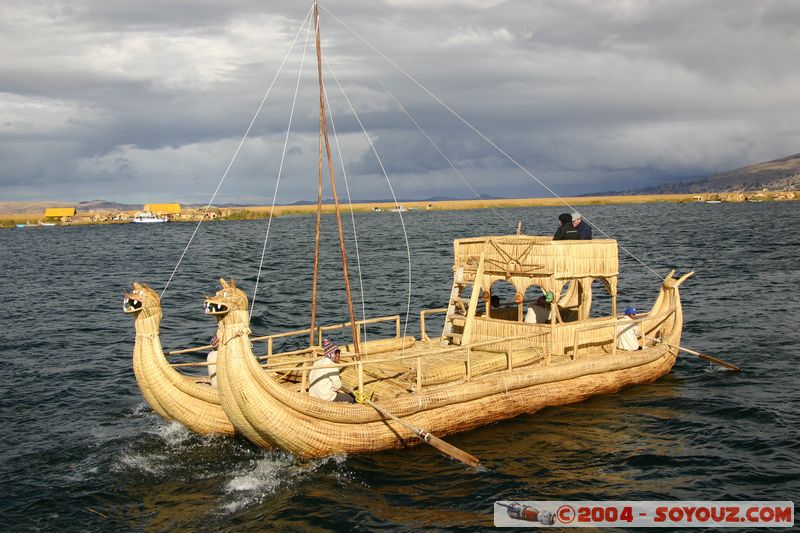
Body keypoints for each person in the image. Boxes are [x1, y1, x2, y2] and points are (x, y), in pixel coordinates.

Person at [309, 338, 355, 403]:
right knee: (351, 398)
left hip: (312, 394)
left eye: (339, 352)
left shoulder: (317, 362)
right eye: (336, 353)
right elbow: (337, 386)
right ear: (331, 354)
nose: (338, 355)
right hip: (324, 397)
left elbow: (310, 378)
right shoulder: (332, 366)